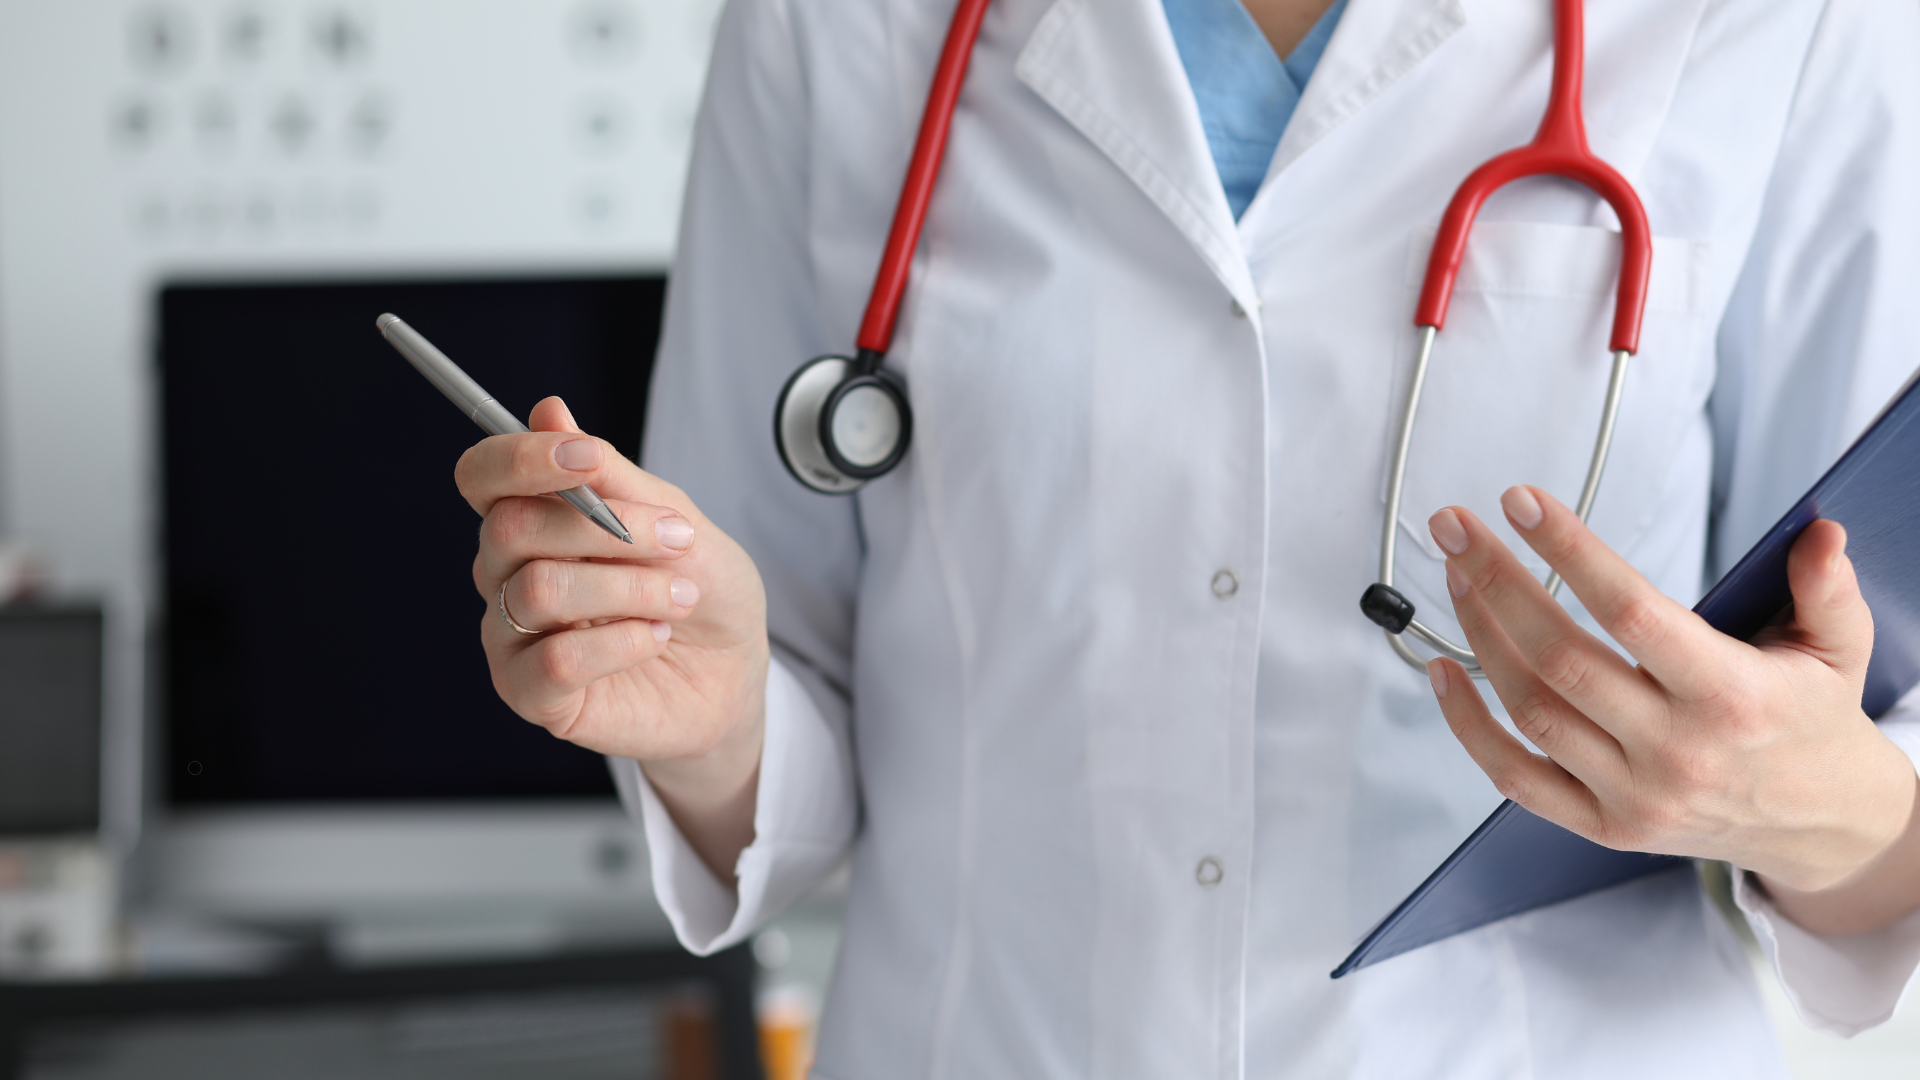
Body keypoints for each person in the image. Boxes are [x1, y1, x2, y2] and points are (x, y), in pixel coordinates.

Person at [451, 0, 1920, 1074]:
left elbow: (1883, 719)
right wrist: (706, 717)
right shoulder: (834, 27)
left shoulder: (1787, 24)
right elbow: (777, 707)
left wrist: (1823, 805)